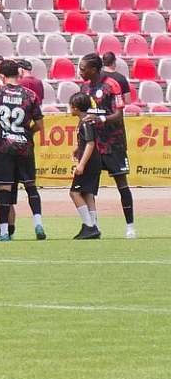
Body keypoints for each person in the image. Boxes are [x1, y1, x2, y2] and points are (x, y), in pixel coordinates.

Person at [0, 57, 42, 242]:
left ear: (1, 75)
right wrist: (27, 132)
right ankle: (38, 224)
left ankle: (4, 231)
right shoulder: (30, 95)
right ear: (19, 73)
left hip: (4, 146)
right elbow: (39, 124)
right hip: (24, 146)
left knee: (4, 188)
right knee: (30, 186)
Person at [78, 53, 137, 239]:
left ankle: (130, 227)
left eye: (83, 69)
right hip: (92, 143)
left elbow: (118, 114)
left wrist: (100, 118)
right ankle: (93, 226)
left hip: (113, 142)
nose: (80, 72)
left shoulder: (112, 85)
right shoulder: (85, 88)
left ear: (94, 69)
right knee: (88, 187)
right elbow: (82, 116)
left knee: (122, 184)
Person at [66, 93, 103, 240]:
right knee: (88, 193)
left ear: (75, 107)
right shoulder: (86, 120)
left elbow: (90, 143)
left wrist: (81, 164)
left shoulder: (85, 122)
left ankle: (88, 226)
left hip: (89, 163)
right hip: (95, 162)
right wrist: (77, 147)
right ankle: (94, 225)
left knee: (74, 193)